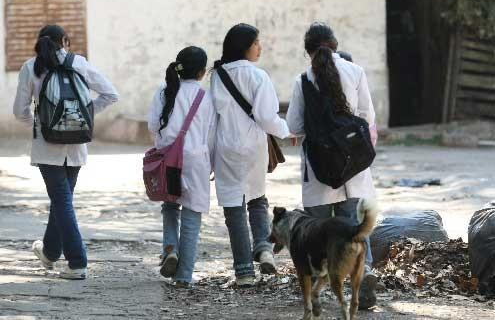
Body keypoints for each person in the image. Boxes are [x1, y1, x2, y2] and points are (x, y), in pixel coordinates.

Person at [13, 24, 119, 279]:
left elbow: (19, 111)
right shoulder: (79, 63)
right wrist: (81, 114)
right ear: (64, 41)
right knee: (62, 201)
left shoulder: (31, 67)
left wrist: (41, 124)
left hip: (46, 147)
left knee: (61, 201)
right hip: (76, 144)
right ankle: (49, 252)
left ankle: (77, 263)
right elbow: (110, 94)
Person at [286, 22, 378, 309]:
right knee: (355, 228)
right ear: (335, 45)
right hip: (352, 166)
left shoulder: (303, 79)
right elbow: (368, 117)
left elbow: (294, 125)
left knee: (318, 231)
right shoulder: (355, 71)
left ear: (308, 51)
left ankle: (318, 290)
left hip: (319, 169)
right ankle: (365, 276)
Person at [210, 23, 290, 287]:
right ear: (245, 47)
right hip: (254, 146)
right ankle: (265, 249)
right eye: (257, 42)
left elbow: (212, 120)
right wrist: (286, 131)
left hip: (226, 146)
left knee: (234, 209)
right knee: (257, 199)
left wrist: (209, 157)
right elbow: (268, 117)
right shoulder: (259, 76)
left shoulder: (217, 76)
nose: (260, 47)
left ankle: (244, 272)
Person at [148, 46, 216, 287]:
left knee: (170, 205)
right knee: (191, 215)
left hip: (168, 158)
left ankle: (170, 248)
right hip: (196, 160)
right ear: (202, 72)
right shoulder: (206, 98)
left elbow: (154, 126)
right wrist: (211, 164)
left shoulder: (163, 92)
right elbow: (211, 135)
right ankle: (184, 275)